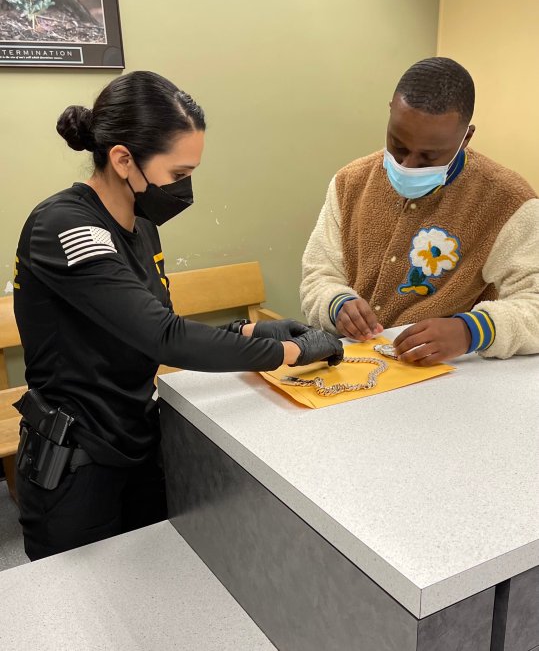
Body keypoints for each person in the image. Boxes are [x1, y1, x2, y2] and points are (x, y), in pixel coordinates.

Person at [13, 70, 343, 561]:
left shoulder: (141, 227)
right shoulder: (64, 227)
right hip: (78, 461)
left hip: (136, 437)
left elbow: (145, 326)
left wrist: (250, 329)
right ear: (124, 159)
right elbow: (163, 336)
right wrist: (287, 352)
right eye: (179, 175)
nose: (185, 190)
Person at [301, 57, 539, 364]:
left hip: (446, 385)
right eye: (398, 146)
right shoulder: (350, 182)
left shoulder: (507, 202)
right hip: (350, 370)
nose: (407, 165)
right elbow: (317, 277)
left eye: (428, 157)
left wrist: (471, 331)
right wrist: (336, 303)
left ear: (465, 138)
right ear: (390, 111)